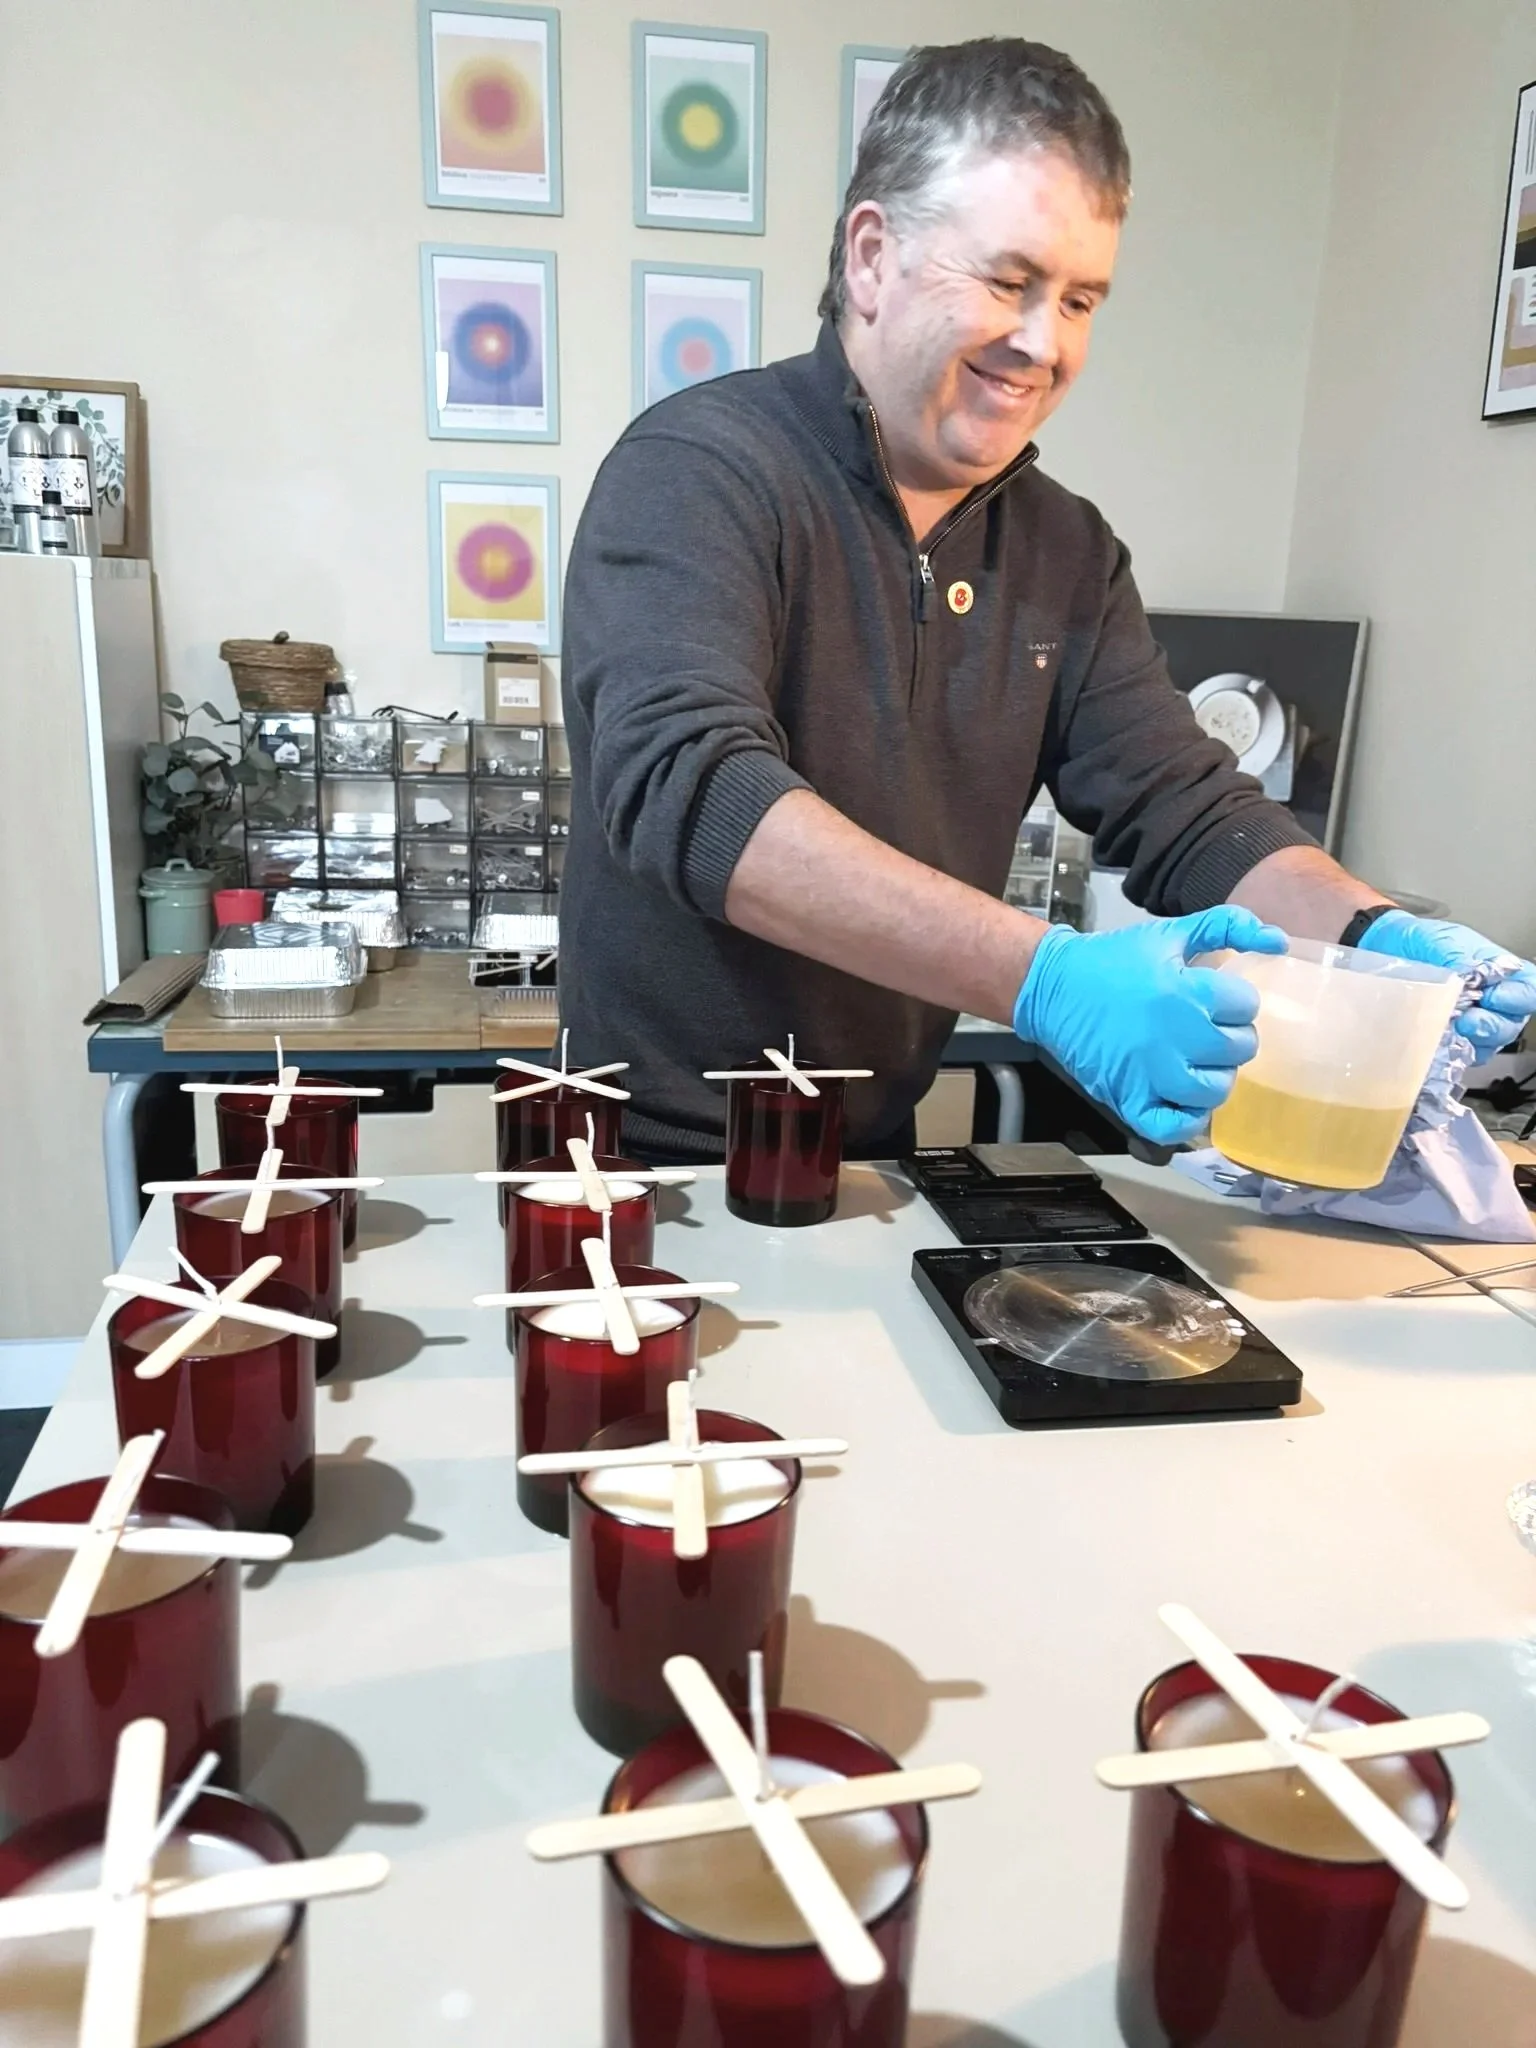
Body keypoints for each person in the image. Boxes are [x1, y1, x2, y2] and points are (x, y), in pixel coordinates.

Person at [560, 37, 1536, 1160]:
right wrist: (1045, 975)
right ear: (872, 256)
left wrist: (1378, 936)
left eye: (1080, 299)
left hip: (866, 1156)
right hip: (639, 1167)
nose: (1044, 343)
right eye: (1010, 281)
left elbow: (1190, 806)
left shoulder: (1067, 552)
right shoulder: (697, 469)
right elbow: (693, 793)